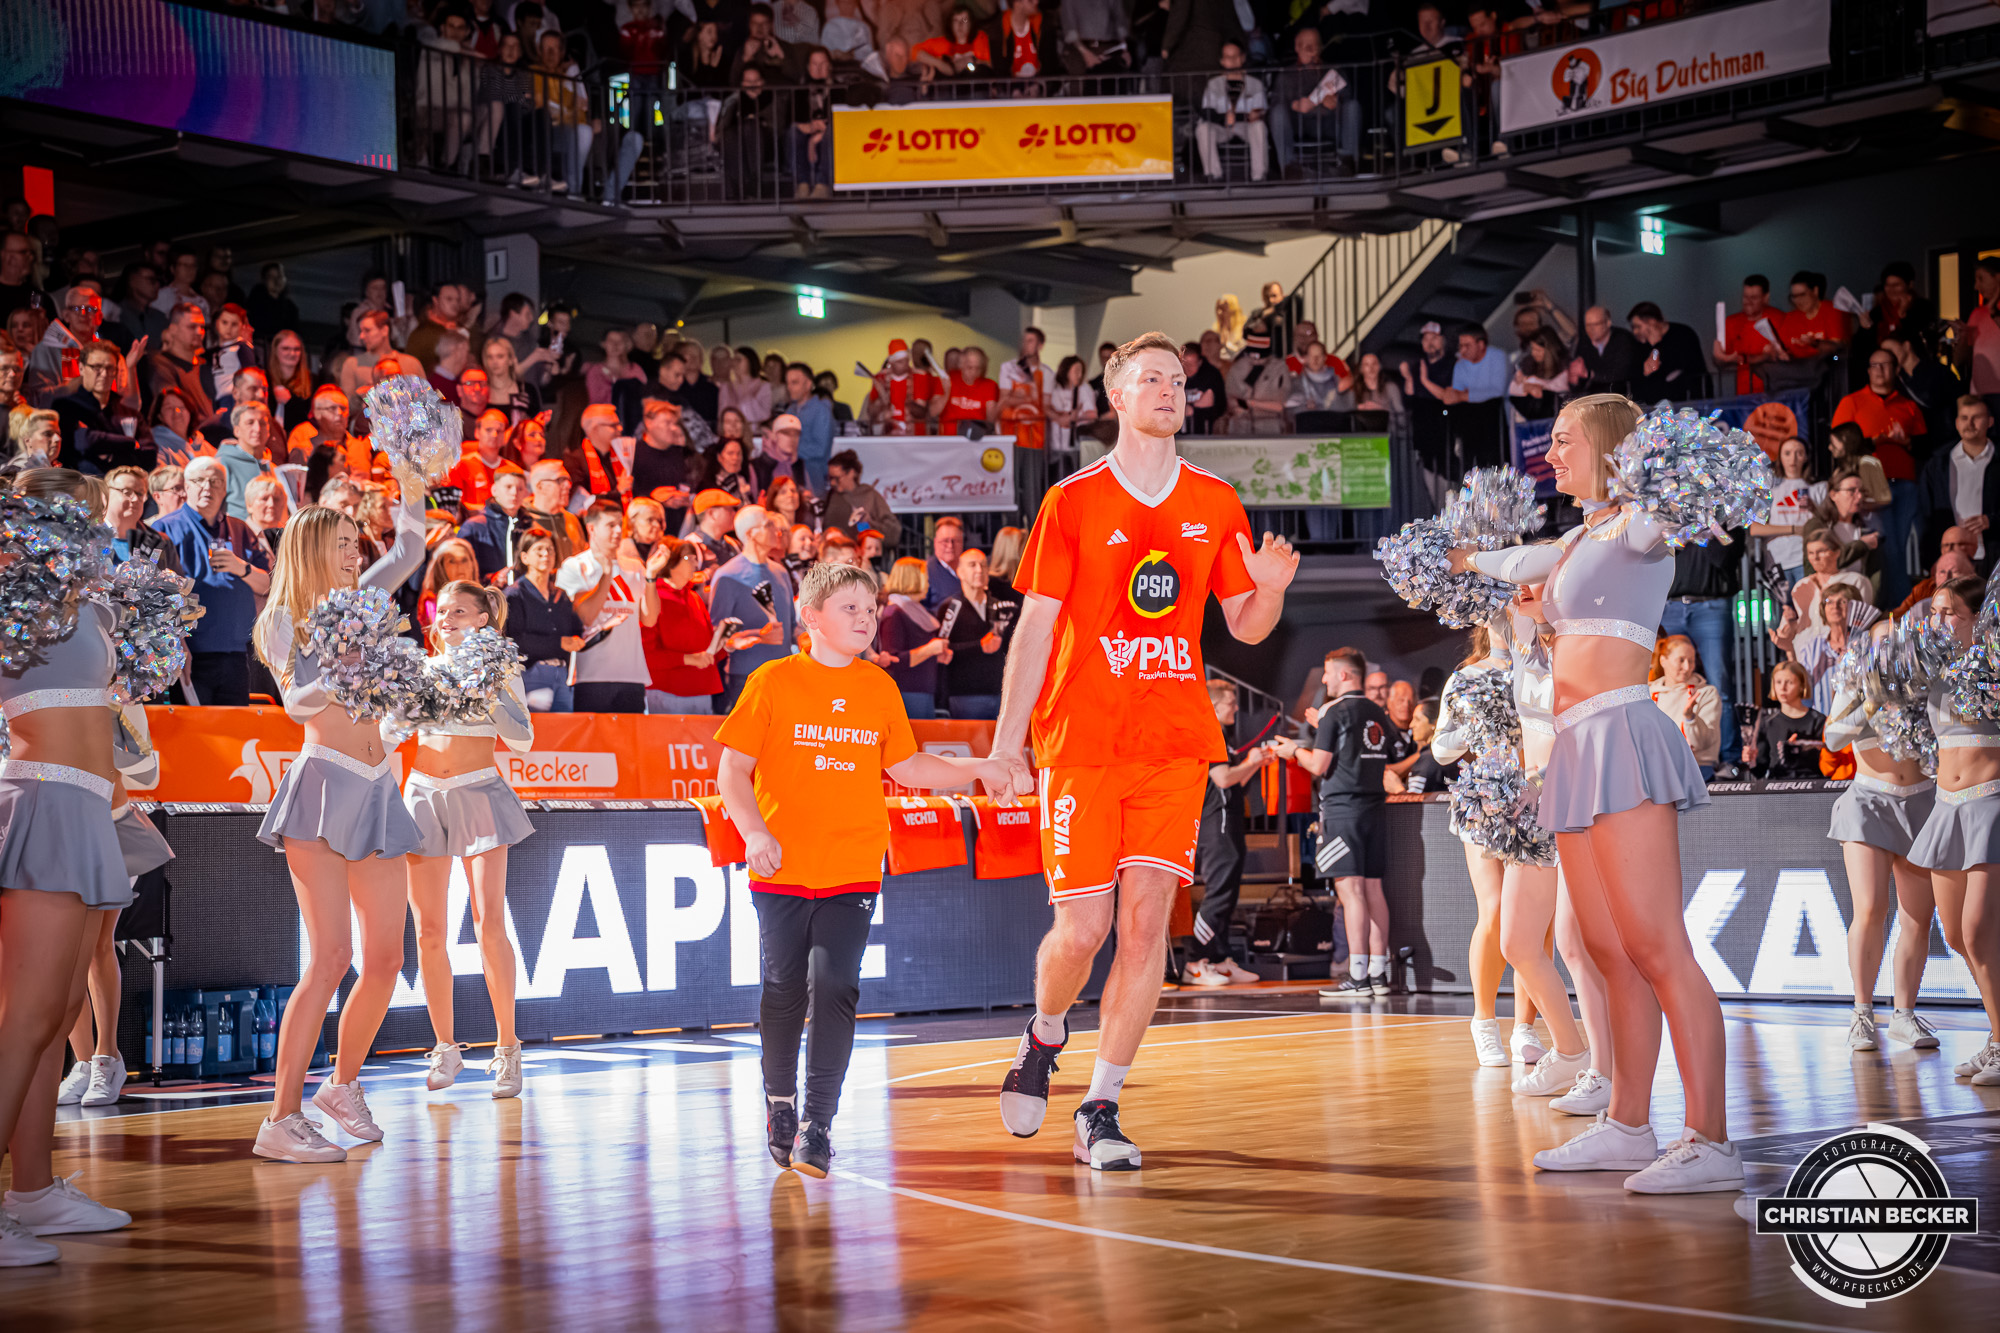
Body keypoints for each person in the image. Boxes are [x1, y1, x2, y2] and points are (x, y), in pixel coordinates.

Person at [985, 331, 1297, 1171]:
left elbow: (1246, 625)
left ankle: (1101, 1105)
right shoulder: (1073, 499)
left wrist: (1269, 591)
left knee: (1148, 922)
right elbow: (1035, 628)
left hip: (1173, 742)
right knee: (1082, 930)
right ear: (1116, 397)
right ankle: (1045, 1030)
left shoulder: (1216, 500)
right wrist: (1007, 745)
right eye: (1150, 378)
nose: (1169, 389)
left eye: (1178, 380)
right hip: (1082, 741)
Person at [1454, 394, 1739, 1194]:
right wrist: (1465, 563)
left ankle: (1711, 1138)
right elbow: (1523, 563)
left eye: (1564, 440)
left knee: (1658, 947)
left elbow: (1682, 508)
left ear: (1611, 446)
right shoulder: (1580, 535)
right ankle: (1627, 1123)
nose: (1550, 454)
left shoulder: (1638, 527)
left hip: (1621, 734)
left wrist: (1670, 477)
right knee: (1607, 950)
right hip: (1575, 747)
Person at [717, 560, 1010, 1177]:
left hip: (853, 863)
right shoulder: (772, 681)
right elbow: (732, 771)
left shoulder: (879, 687)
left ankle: (818, 1124)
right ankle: (780, 1102)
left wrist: (977, 769)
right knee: (783, 987)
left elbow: (907, 767)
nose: (866, 617)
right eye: (850, 607)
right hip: (781, 865)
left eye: (871, 608)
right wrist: (755, 831)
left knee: (836, 987)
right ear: (811, 617)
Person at [248, 475, 429, 1163]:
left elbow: (409, 548)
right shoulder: (283, 617)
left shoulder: (363, 603)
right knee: (330, 958)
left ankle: (342, 1085)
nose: (357, 553)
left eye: (358, 542)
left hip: (379, 785)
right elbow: (297, 701)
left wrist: (412, 476)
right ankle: (280, 1118)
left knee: (386, 958)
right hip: (323, 784)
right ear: (313, 547)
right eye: (346, 543)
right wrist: (349, 665)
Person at [0, 469, 137, 1264]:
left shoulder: (85, 594)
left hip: (89, 806)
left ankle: (33, 1189)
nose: (94, 528)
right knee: (25, 1016)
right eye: (79, 514)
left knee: (54, 1017)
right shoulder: (15, 591)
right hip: (44, 800)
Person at [403, 581, 535, 1099]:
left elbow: (523, 740)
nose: (447, 618)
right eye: (442, 611)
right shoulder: (422, 668)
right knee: (428, 930)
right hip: (422, 794)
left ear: (483, 619)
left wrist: (490, 690)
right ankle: (445, 1046)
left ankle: (508, 1049)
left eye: (460, 610)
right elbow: (391, 734)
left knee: (489, 924)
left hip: (479, 791)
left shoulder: (501, 668)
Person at [1817, 632, 1938, 1053]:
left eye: (1898, 643)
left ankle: (1903, 1015)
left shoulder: (1926, 680)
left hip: (1922, 802)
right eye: (1882, 644)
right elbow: (1833, 738)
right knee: (1870, 908)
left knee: (1918, 916)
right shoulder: (1855, 683)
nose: (1891, 652)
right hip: (1870, 801)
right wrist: (1869, 701)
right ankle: (1862, 1014)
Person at [1906, 576, 2000, 1086]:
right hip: (1947, 808)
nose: (1938, 621)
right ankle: (1997, 1036)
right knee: (1957, 937)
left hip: (1990, 804)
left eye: (1950, 613)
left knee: (1979, 930)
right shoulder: (1931, 669)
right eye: (1934, 612)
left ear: (1977, 619)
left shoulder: (1995, 667)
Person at [1271, 647, 1396, 996]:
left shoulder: (1334, 712)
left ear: (1343, 674)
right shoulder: (1376, 711)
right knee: (1373, 889)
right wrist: (1322, 727)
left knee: (1350, 892)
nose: (1324, 680)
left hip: (1342, 810)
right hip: (1374, 808)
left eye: (1327, 673)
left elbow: (1318, 765)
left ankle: (1357, 975)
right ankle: (1378, 973)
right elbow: (1366, 750)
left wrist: (1293, 751)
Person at [154, 455, 272, 705]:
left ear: (225, 489)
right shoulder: (164, 529)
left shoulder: (240, 529)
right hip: (190, 653)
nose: (207, 487)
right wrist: (178, 643)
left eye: (215, 481)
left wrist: (241, 568)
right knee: (194, 727)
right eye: (199, 481)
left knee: (235, 725)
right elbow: (155, 595)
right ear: (186, 486)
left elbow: (268, 584)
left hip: (236, 653)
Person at [1183, 680, 1271, 987]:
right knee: (1219, 893)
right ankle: (1195, 962)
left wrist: (1255, 764)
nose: (1236, 707)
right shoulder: (1209, 733)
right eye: (1231, 702)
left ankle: (1219, 960)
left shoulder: (1225, 736)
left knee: (1229, 891)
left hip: (1229, 819)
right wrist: (1250, 762)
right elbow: (1222, 779)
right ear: (1214, 706)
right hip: (1215, 823)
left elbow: (1235, 783)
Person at [557, 502, 661, 713]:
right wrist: (606, 576)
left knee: (630, 735)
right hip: (589, 676)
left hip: (631, 675)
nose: (617, 531)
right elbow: (584, 617)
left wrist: (650, 576)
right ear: (592, 528)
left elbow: (650, 619)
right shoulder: (575, 566)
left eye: (620, 525)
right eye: (610, 525)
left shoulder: (635, 566)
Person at [711, 504, 798, 710]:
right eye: (768, 525)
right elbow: (717, 634)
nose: (777, 530)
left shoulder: (780, 571)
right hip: (747, 676)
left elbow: (792, 626)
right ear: (750, 534)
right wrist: (757, 636)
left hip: (783, 674)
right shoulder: (728, 575)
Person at [643, 538, 727, 714]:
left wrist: (727, 644)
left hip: (701, 690)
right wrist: (689, 659)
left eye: (696, 559)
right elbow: (647, 655)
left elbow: (706, 648)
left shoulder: (694, 598)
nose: (696, 564)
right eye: (689, 558)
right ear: (670, 563)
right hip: (667, 692)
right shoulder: (654, 597)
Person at [1918, 396, 1999, 573]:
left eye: (1976, 417)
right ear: (1956, 423)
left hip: (1994, 555)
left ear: (1990, 421)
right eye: (1964, 418)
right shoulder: (1938, 464)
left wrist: (1991, 520)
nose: (1969, 423)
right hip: (1952, 561)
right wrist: (1931, 560)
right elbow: (1926, 515)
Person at [936, 546, 1017, 719]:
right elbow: (941, 652)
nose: (979, 570)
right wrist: (978, 646)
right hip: (965, 695)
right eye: (972, 565)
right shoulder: (950, 608)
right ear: (960, 572)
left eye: (983, 565)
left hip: (1001, 693)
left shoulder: (1001, 607)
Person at [877, 556, 948, 718]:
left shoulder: (915, 609)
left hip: (923, 690)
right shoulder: (894, 612)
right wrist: (930, 650)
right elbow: (893, 660)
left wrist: (936, 656)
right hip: (907, 692)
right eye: (926, 578)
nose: (929, 584)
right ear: (912, 580)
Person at [1429, 325, 1507, 472]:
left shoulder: (1497, 356)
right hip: (1470, 422)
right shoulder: (1460, 365)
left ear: (1481, 344)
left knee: (1497, 462)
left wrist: (1464, 395)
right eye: (1461, 346)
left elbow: (1497, 391)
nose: (1462, 350)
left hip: (1494, 420)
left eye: (1467, 345)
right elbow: (1454, 396)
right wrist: (1466, 396)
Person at [1750, 437, 1824, 590]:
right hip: (1778, 560)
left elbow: (1828, 524)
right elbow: (1755, 528)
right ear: (1780, 457)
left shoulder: (1818, 487)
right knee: (1784, 605)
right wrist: (1794, 529)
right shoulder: (1770, 489)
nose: (1793, 459)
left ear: (1806, 457)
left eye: (1799, 453)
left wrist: (1813, 508)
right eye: (1788, 453)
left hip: (1808, 559)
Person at [1648, 635, 1721, 782]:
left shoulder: (1706, 693)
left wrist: (1690, 718)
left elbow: (1702, 742)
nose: (1687, 667)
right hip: (1656, 769)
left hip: (1697, 769)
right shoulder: (1647, 694)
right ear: (1663, 660)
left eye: (1691, 661)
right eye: (1681, 660)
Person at [1744, 661, 1825, 778]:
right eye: (1778, 682)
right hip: (1777, 786)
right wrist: (1751, 761)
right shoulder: (1767, 722)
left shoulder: (1818, 720)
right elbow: (1760, 771)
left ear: (1802, 685)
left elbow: (1827, 765)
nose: (1782, 688)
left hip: (1813, 785)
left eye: (1789, 682)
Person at [1713, 273, 1782, 395]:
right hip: (1744, 396)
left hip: (1774, 394)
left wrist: (1743, 359)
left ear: (1766, 297)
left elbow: (1783, 357)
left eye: (1754, 298)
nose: (1748, 302)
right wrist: (1719, 357)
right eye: (1745, 297)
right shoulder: (1732, 322)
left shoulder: (1780, 319)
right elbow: (1720, 362)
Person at [1629, 302, 1706, 402]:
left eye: (1638, 327)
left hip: (1683, 401)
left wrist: (1656, 346)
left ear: (1652, 322)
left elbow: (1687, 369)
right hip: (1650, 403)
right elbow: (1642, 372)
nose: (1635, 332)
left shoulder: (1683, 335)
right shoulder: (1639, 344)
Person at [939, 346, 999, 436]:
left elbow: (991, 419)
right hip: (949, 437)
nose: (973, 372)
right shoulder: (948, 380)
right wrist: (946, 393)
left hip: (978, 436)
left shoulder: (990, 385)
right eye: (970, 367)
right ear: (961, 364)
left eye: (977, 368)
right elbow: (932, 412)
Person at [924, 515, 964, 609]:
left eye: (955, 541)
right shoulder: (925, 572)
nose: (950, 546)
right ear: (935, 542)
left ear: (962, 542)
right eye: (945, 541)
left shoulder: (973, 569)